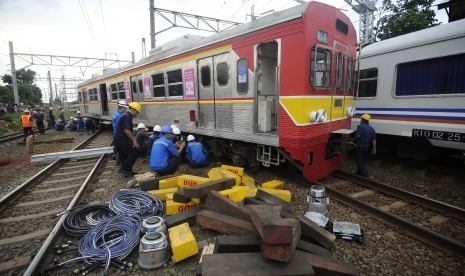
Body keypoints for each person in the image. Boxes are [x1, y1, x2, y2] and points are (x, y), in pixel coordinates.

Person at [114, 102, 142, 177]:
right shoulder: (127, 117)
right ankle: (123, 168)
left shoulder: (125, 115)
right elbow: (127, 130)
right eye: (137, 112)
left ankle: (128, 171)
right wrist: (134, 140)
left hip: (118, 139)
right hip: (121, 140)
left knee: (124, 156)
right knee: (134, 152)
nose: (137, 114)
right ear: (133, 110)